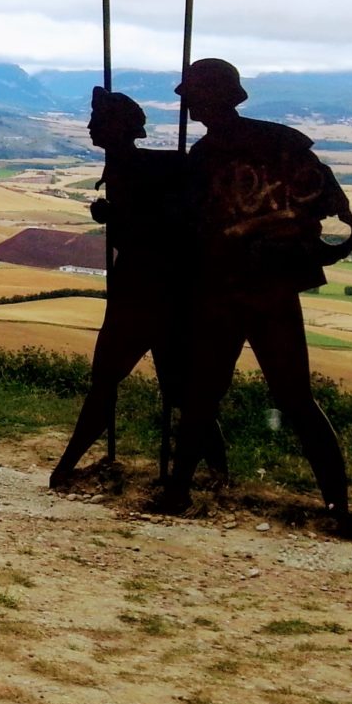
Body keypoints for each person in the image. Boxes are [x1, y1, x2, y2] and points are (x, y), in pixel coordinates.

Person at [167, 59, 352, 535]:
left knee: (220, 393)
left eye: (191, 95)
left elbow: (333, 213)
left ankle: (180, 488)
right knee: (282, 397)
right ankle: (335, 504)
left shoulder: (214, 155)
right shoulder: (268, 143)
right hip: (251, 288)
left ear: (211, 98)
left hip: (242, 289)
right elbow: (339, 215)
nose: (185, 103)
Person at [50, 88, 226, 489]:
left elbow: (168, 225)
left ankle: (67, 467)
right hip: (144, 286)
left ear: (118, 127)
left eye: (98, 121)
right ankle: (218, 471)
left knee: (124, 383)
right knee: (165, 387)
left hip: (149, 289)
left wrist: (119, 216)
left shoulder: (150, 168)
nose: (90, 127)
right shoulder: (128, 166)